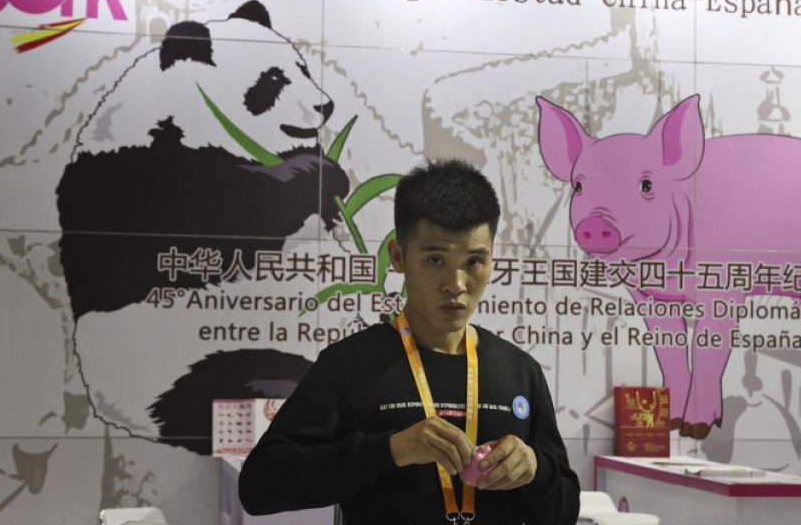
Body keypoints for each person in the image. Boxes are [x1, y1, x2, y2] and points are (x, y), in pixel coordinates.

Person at [239, 159, 580, 524]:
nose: (457, 284)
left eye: (474, 262)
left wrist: (536, 471)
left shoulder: (519, 371)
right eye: (435, 260)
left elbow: (563, 512)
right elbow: (260, 486)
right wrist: (390, 450)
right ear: (399, 258)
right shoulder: (350, 365)